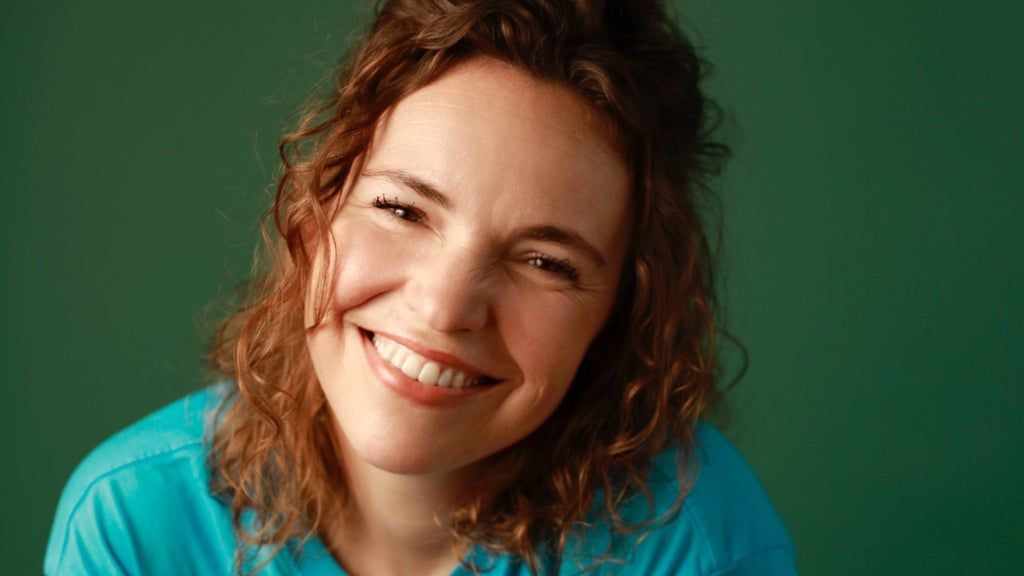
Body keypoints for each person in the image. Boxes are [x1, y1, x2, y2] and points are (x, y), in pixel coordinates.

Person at [45, 0, 797, 574]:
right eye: (403, 210)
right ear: (314, 216)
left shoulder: (701, 546)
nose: (443, 307)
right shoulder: (134, 526)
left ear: (618, 315)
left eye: (545, 262)